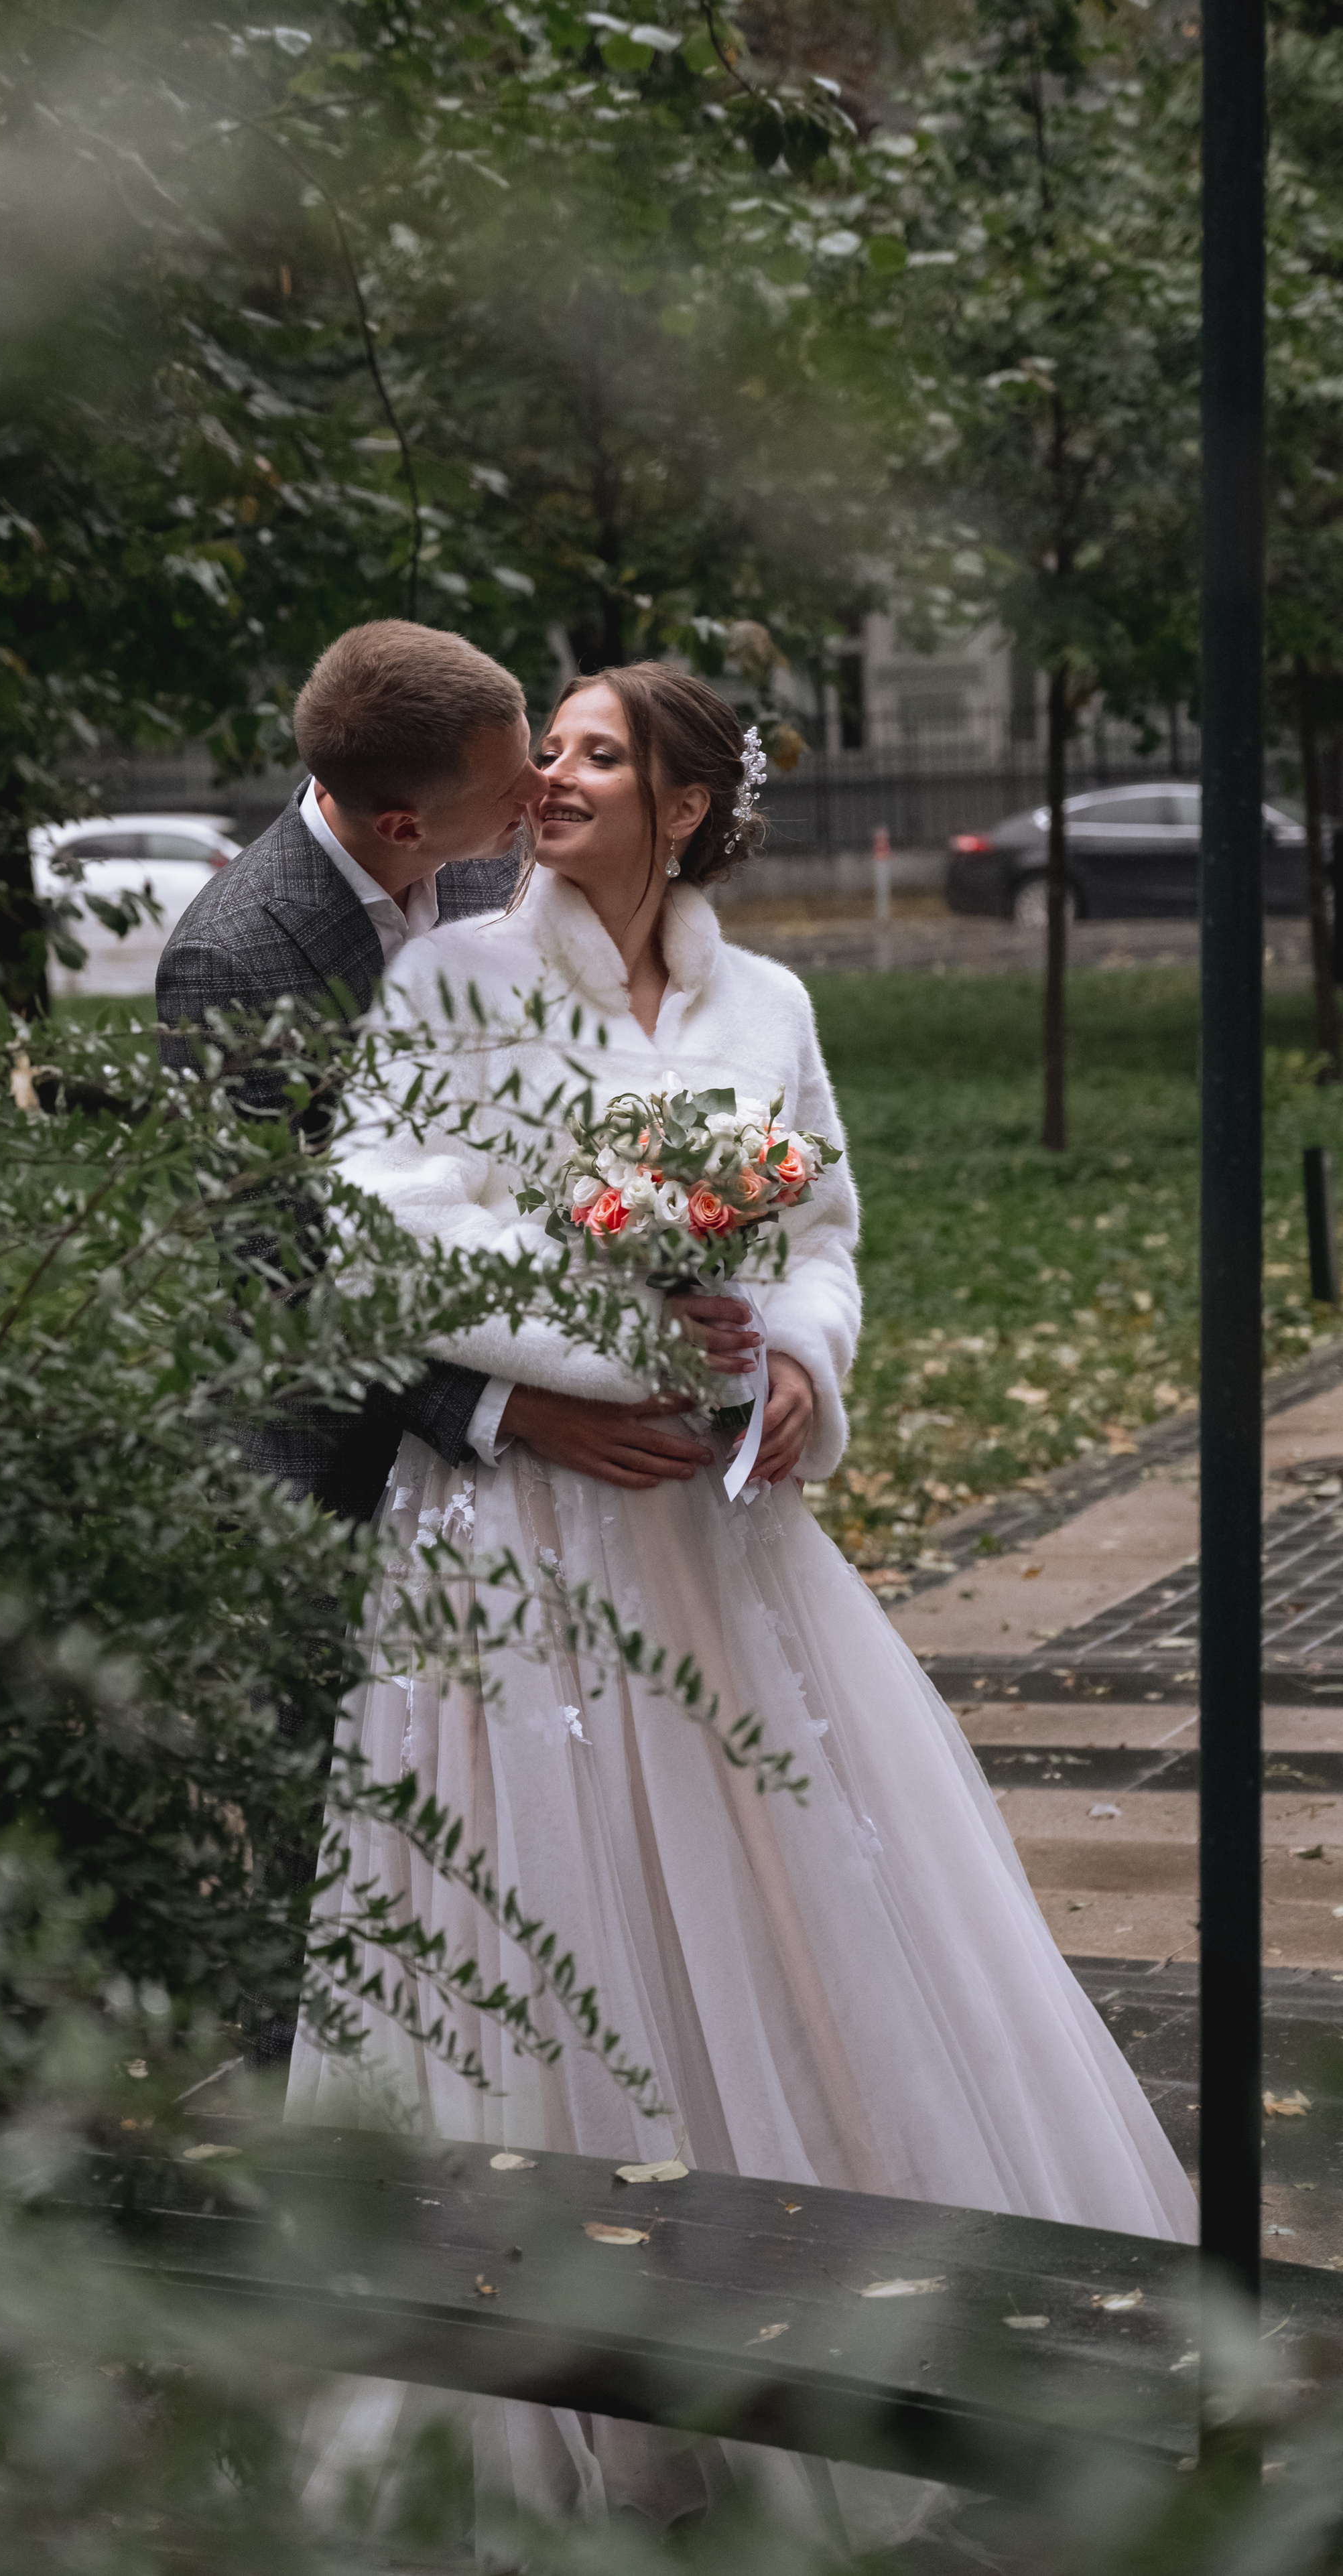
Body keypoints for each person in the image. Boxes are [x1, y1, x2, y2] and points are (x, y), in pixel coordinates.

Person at [287, 662, 1196, 2540]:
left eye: (599, 750)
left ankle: (839, 2286)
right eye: (552, 743)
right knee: (544, 1913)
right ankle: (559, 2374)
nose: (553, 769)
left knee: (780, 1887)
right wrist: (620, 1353)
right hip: (524, 1538)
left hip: (723, 1538)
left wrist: (791, 1363)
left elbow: (826, 1231)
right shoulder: (452, 979)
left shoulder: (769, 1001)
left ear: (685, 805)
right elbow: (380, 1235)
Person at [157, 619, 734, 1524]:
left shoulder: (490, 868)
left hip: (571, 1389)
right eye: (515, 782)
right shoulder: (234, 961)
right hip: (351, 1463)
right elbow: (282, 1268)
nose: (545, 790)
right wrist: (515, 1408)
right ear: (402, 824)